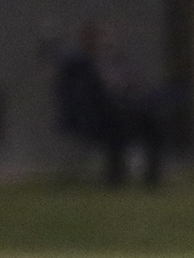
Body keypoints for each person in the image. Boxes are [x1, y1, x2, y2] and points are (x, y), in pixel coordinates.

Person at [54, 20, 166, 188]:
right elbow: (89, 94)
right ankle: (116, 175)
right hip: (97, 118)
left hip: (126, 112)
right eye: (100, 38)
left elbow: (134, 84)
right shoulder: (80, 65)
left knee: (154, 122)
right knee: (119, 124)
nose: (105, 42)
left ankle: (152, 176)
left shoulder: (117, 62)